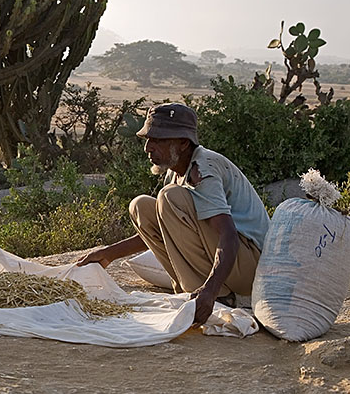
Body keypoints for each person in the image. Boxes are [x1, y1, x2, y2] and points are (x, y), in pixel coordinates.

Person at [77, 103, 270, 326]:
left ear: (183, 143)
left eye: (158, 140)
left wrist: (211, 289)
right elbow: (167, 229)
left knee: (169, 197)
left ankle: (214, 297)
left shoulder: (202, 170)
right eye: (148, 139)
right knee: (141, 206)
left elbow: (228, 236)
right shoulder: (176, 170)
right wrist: (109, 254)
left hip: (249, 265)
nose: (148, 148)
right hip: (231, 260)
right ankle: (195, 289)